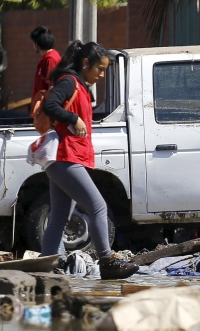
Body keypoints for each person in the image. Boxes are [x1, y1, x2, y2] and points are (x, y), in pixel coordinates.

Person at [39, 40, 137, 280]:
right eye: (100, 69)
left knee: (60, 216)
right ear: (86, 63)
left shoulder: (79, 85)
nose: (102, 75)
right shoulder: (69, 82)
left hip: (67, 158)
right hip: (65, 157)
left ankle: (47, 266)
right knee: (98, 206)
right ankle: (107, 261)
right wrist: (73, 118)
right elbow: (51, 105)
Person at [30, 26, 60, 99]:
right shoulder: (47, 58)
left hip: (44, 107)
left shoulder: (50, 59)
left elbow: (51, 87)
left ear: (37, 45)